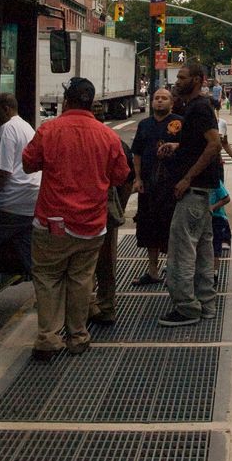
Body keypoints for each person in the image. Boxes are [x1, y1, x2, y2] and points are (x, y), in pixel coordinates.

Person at [22, 77, 131, 360]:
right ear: (92, 103)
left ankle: (47, 338)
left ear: (66, 101)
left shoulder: (50, 130)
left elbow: (28, 163)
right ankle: (78, 336)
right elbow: (121, 175)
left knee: (47, 277)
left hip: (52, 221)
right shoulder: (108, 136)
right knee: (81, 279)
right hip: (91, 224)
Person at [156, 60, 223, 326]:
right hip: (201, 193)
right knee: (204, 250)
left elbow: (214, 144)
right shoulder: (197, 108)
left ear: (198, 80)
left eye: (183, 77)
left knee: (182, 251)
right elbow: (199, 144)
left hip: (193, 191)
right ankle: (206, 304)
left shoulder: (199, 108)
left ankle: (186, 307)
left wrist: (186, 178)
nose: (177, 81)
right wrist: (177, 146)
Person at [131, 88, 182, 286]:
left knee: (170, 227)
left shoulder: (179, 122)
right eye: (156, 98)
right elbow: (137, 152)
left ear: (172, 102)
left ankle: (172, 270)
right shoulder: (144, 124)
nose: (160, 101)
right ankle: (152, 271)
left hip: (171, 185)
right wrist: (137, 178)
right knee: (148, 227)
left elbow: (188, 149)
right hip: (149, 184)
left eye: (164, 98)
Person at [0, 93, 41, 284]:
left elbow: (4, 169)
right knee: (23, 239)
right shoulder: (26, 126)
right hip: (32, 197)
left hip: (13, 199)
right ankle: (37, 276)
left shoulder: (7, 129)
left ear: (5, 109)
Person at [90, 138, 135, 325]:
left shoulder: (60, 133)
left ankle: (84, 307)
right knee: (106, 260)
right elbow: (126, 178)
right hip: (105, 208)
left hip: (72, 210)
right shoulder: (112, 140)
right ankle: (106, 306)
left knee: (78, 265)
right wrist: (120, 208)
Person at [208, 178, 231, 282]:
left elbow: (226, 198)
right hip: (206, 216)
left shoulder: (215, 181)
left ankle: (214, 271)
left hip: (217, 217)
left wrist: (213, 207)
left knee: (215, 244)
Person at [212, 98, 232, 164]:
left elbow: (224, 143)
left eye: (215, 109)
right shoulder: (201, 123)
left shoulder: (222, 123)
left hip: (217, 163)